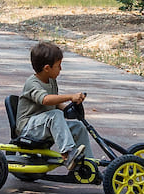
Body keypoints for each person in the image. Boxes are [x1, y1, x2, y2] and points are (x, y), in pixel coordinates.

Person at [14, 41, 93, 172]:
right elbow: (45, 100)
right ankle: (68, 154)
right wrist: (70, 96)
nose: (60, 69)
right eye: (58, 66)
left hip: (46, 125)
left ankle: (89, 164)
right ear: (47, 68)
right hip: (29, 128)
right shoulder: (32, 83)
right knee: (56, 115)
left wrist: (69, 108)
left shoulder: (51, 81)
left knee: (78, 127)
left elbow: (55, 102)